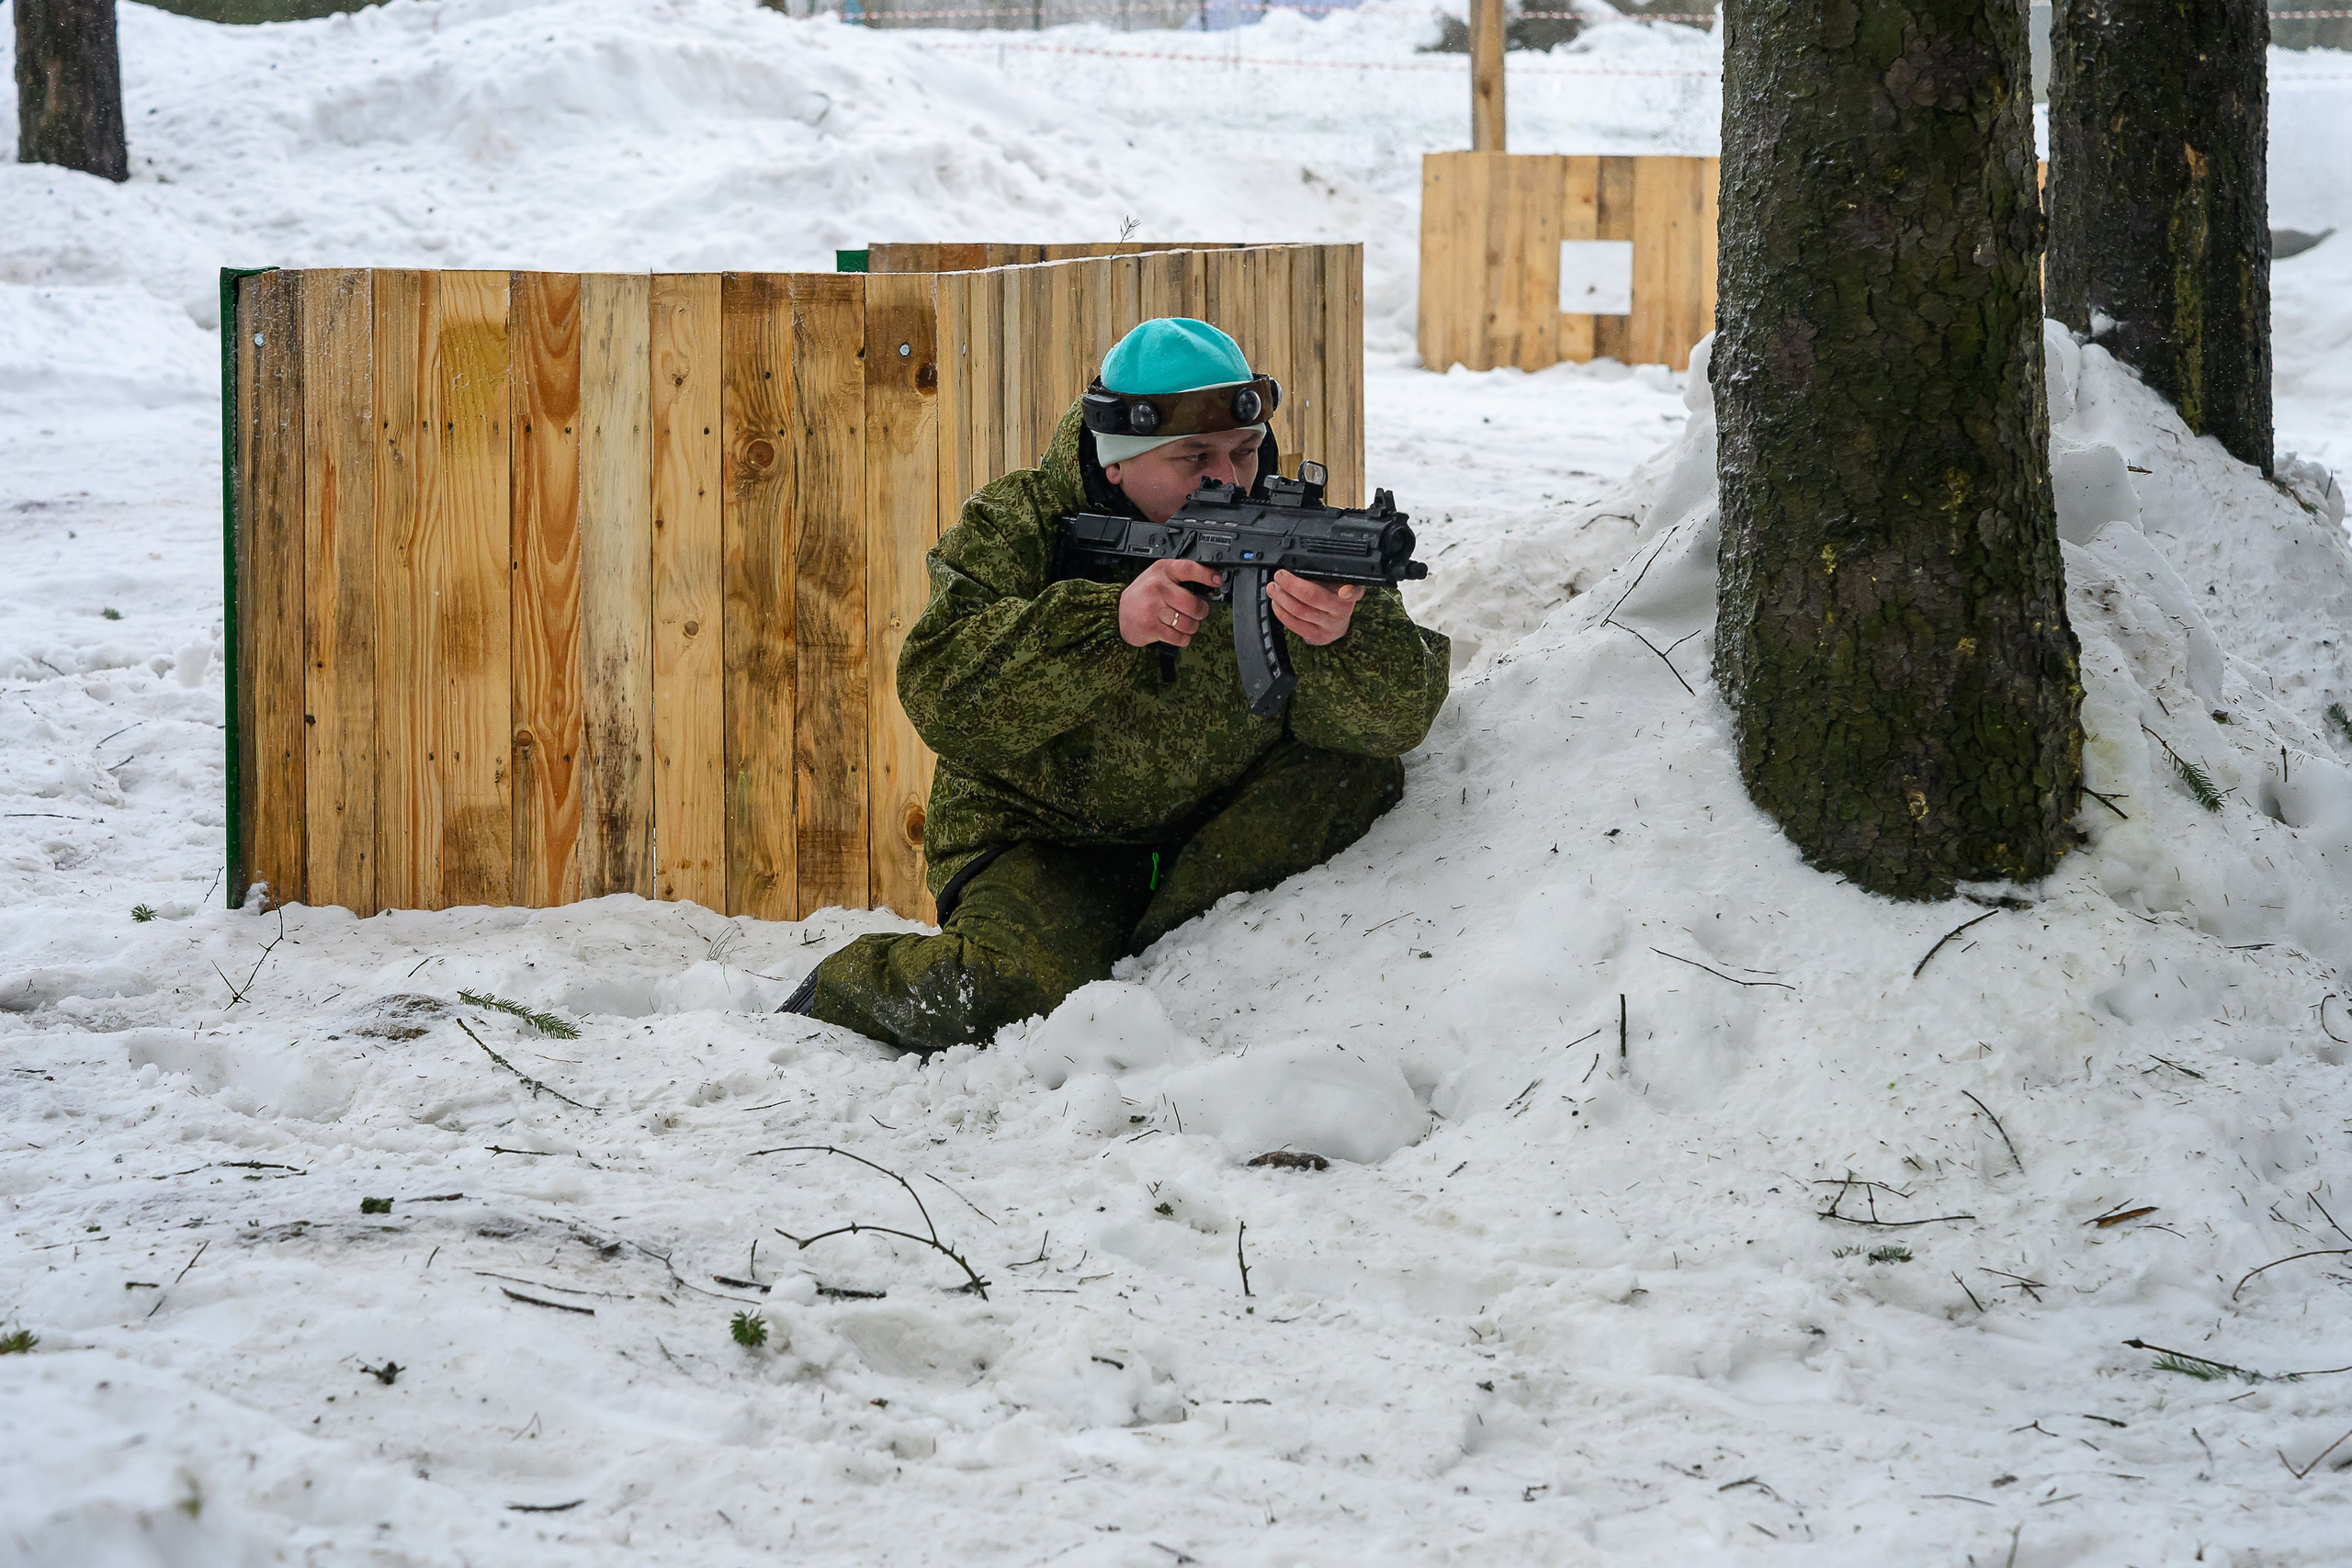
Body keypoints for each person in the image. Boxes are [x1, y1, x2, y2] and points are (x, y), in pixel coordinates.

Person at [785, 318, 1450, 1050]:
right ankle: (842, 987)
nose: (1230, 478)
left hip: (1212, 834)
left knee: (1363, 776)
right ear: (1116, 465)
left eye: (1245, 451)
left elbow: (1399, 717)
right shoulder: (1022, 523)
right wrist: (1110, 623)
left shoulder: (1297, 535)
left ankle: (1158, 949)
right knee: (1006, 994)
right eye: (1194, 457)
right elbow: (941, 688)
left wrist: (1337, 638)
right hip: (1045, 839)